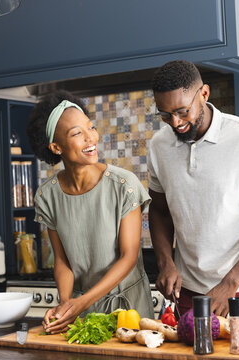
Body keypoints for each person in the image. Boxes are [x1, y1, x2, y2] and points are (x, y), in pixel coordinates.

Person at [147, 60, 239, 327]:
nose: (175, 123)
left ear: (204, 94)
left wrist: (230, 283)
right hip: (189, 294)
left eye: (182, 111)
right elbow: (160, 211)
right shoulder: (158, 146)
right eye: (165, 115)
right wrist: (165, 262)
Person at [26, 90, 153, 334]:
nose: (90, 138)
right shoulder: (47, 196)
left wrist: (80, 303)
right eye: (77, 133)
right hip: (82, 314)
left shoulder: (124, 185)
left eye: (90, 127)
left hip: (129, 311)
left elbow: (128, 257)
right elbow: (62, 261)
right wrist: (65, 305)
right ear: (56, 147)